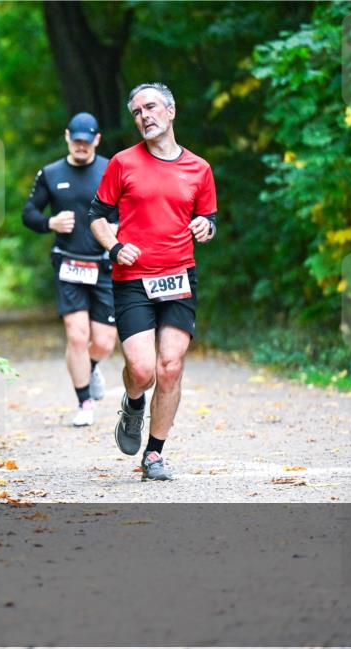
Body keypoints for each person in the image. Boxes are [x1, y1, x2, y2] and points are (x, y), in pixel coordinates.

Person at [88, 82, 217, 481]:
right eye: (137, 112)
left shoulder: (199, 169)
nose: (145, 116)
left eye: (151, 107)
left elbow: (209, 220)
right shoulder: (123, 163)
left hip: (179, 278)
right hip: (133, 279)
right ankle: (132, 402)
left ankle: (154, 454)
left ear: (171, 111)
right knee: (142, 371)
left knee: (171, 366)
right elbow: (97, 216)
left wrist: (204, 227)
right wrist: (114, 247)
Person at [23, 112, 118, 428]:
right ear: (67, 137)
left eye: (86, 142)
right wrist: (49, 222)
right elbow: (29, 213)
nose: (81, 146)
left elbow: (129, 209)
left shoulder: (110, 169)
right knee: (77, 336)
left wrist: (118, 229)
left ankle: (90, 368)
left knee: (104, 342)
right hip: (68, 263)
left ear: (97, 141)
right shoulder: (50, 173)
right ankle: (84, 402)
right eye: (76, 141)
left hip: (104, 265)